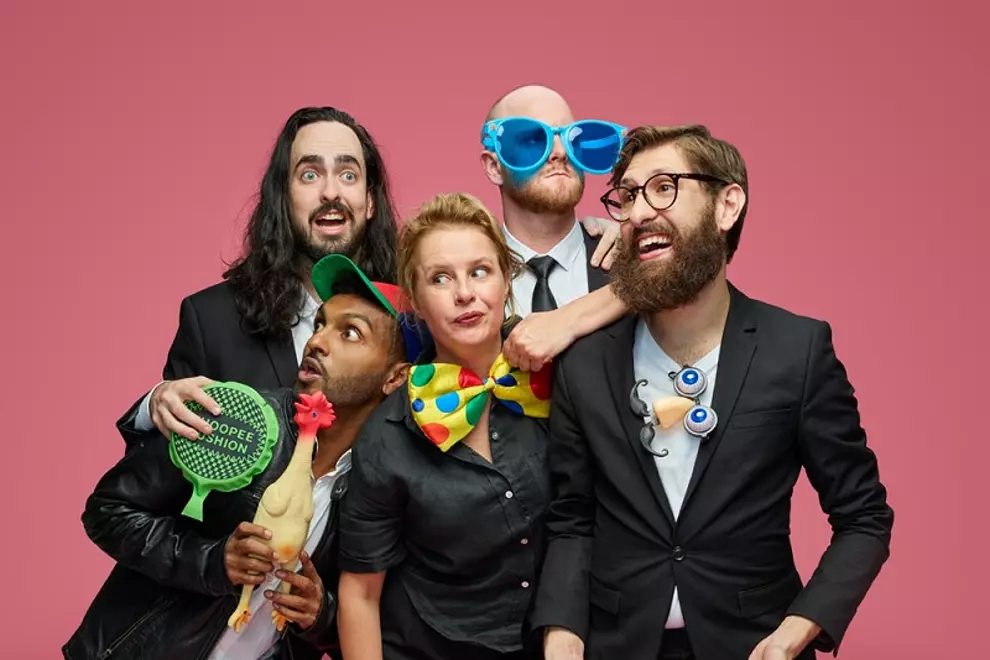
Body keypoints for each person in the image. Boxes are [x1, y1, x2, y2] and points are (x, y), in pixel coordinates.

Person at [532, 125, 894, 660]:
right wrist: (560, 629)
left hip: (753, 646)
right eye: (627, 196)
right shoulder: (585, 364)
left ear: (727, 205)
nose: (637, 213)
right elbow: (571, 518)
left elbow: (864, 517)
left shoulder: (797, 350)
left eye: (663, 188)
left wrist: (799, 628)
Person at [64, 256, 411, 660]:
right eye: (320, 324)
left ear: (395, 378)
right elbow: (107, 510)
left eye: (350, 333)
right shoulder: (238, 419)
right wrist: (213, 562)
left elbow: (379, 619)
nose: (317, 341)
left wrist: (321, 614)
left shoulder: (382, 485)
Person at [336, 193, 551, 660]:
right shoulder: (388, 435)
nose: (464, 294)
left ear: (506, 279)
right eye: (440, 278)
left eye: (480, 271)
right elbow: (360, 593)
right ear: (413, 301)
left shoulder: (558, 381)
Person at [122, 105, 402, 444]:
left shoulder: (411, 322)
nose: (331, 193)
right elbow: (147, 482)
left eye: (348, 175)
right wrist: (155, 404)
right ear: (283, 198)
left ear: (370, 201)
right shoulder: (212, 322)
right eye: (310, 175)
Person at [484, 85, 632, 371]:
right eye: (532, 139)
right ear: (494, 166)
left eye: (571, 138)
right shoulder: (467, 278)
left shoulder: (629, 263)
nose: (560, 152)